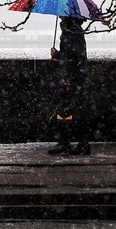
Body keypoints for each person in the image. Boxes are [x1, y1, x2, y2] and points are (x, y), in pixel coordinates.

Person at [47, 16, 91, 156]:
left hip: (72, 79)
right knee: (71, 111)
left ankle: (68, 143)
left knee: (67, 111)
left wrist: (69, 78)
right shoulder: (71, 29)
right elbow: (70, 55)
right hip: (73, 77)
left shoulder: (71, 31)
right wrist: (58, 55)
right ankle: (74, 143)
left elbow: (75, 58)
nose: (60, 15)